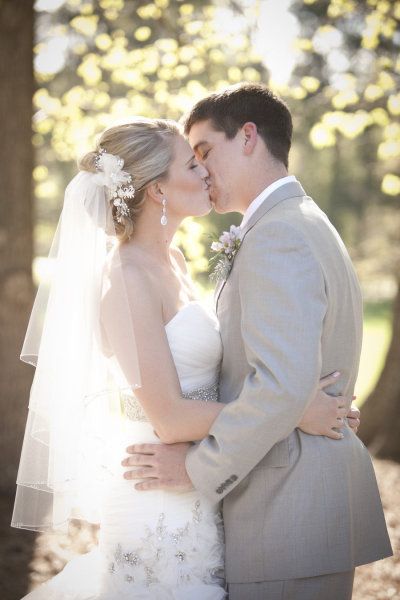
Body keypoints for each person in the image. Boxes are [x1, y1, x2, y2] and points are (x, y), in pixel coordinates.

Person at [13, 117, 357, 599]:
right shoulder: (127, 279)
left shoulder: (172, 262)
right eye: (193, 164)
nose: (205, 174)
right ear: (157, 190)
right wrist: (295, 410)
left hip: (197, 487)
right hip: (157, 496)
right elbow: (170, 418)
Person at [122, 85, 393, 600]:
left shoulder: (278, 234)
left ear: (247, 137)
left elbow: (281, 387)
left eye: (204, 153)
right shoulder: (298, 221)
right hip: (296, 504)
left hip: (285, 508)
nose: (201, 172)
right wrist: (303, 407)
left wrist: (195, 469)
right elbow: (289, 385)